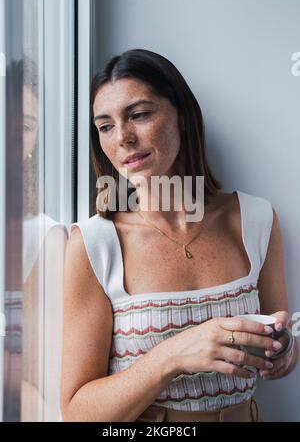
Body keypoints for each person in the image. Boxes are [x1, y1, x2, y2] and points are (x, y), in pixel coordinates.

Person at [60, 48, 298, 422]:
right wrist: (173, 355)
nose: (122, 137)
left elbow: (280, 343)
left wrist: (283, 352)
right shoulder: (95, 244)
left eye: (138, 115)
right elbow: (77, 412)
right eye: (105, 126)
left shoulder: (256, 219)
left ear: (183, 116)